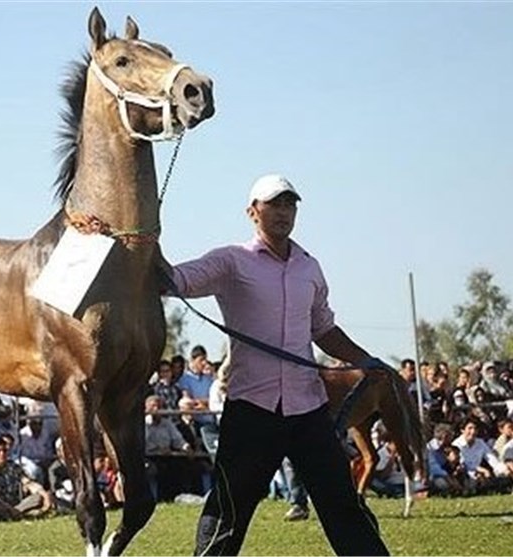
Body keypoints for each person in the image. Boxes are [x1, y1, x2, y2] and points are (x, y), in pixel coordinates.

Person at [163, 174, 389, 556]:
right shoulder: (230, 260)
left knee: (343, 503)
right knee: (228, 510)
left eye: (290, 204)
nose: (284, 212)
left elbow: (324, 329)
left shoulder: (309, 267)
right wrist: (142, 241)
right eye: (275, 204)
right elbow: (174, 281)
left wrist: (365, 360)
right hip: (251, 407)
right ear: (253, 212)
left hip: (308, 407)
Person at [0, 436, 52, 521]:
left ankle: (16, 514)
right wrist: (7, 507)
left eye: (4, 451)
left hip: (17, 505)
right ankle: (23, 514)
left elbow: (28, 482)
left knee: (38, 497)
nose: (2, 454)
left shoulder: (13, 466)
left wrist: (43, 494)